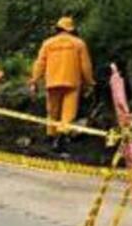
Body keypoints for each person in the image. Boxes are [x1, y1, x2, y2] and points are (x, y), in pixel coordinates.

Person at [29, 16, 94, 149]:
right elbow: (86, 65)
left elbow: (40, 63)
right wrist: (89, 82)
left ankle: (50, 135)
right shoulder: (79, 43)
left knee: (52, 111)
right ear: (72, 29)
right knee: (68, 113)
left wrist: (34, 80)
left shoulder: (48, 43)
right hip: (72, 82)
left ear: (57, 29)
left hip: (52, 82)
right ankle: (60, 139)